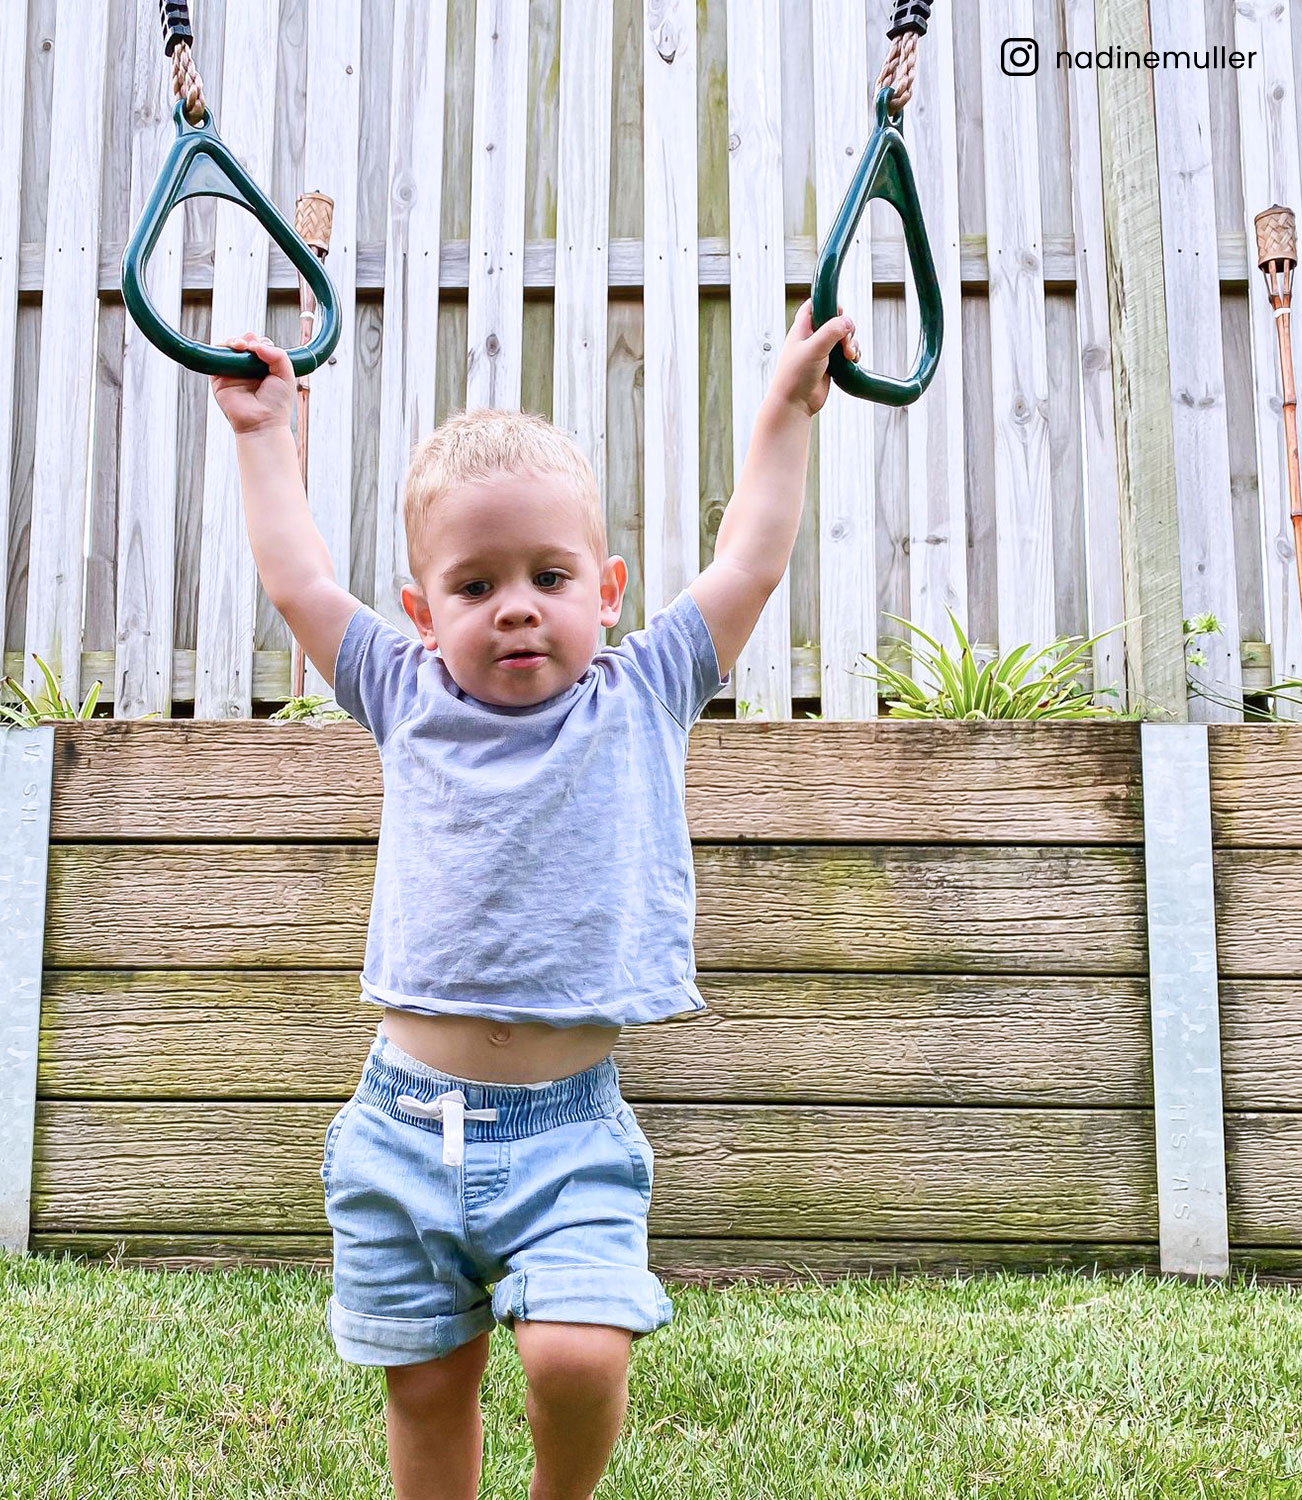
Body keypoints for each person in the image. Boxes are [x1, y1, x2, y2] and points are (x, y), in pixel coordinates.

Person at [210, 298, 855, 1500]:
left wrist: (783, 408)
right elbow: (299, 581)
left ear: (606, 591)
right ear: (423, 614)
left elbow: (751, 560)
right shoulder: (403, 691)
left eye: (549, 576)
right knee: (427, 1390)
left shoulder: (646, 690)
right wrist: (264, 432)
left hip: (569, 1134)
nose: (516, 605)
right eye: (475, 584)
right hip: (402, 1129)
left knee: (576, 1355)